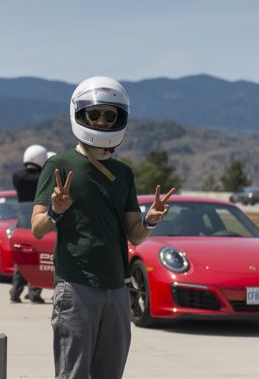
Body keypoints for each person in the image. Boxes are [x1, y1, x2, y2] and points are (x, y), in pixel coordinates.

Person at [31, 76, 176, 379]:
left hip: (118, 287)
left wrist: (151, 218)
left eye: (110, 116)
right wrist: (56, 211)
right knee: (73, 373)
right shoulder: (59, 165)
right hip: (76, 285)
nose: (102, 121)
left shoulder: (123, 173)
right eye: (94, 114)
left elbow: (134, 233)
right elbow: (37, 228)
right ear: (79, 114)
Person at [9, 144, 48, 304]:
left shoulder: (17, 176)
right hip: (37, 223)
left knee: (21, 260)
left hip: (21, 225)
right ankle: (34, 293)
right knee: (36, 259)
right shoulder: (43, 178)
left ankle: (15, 291)